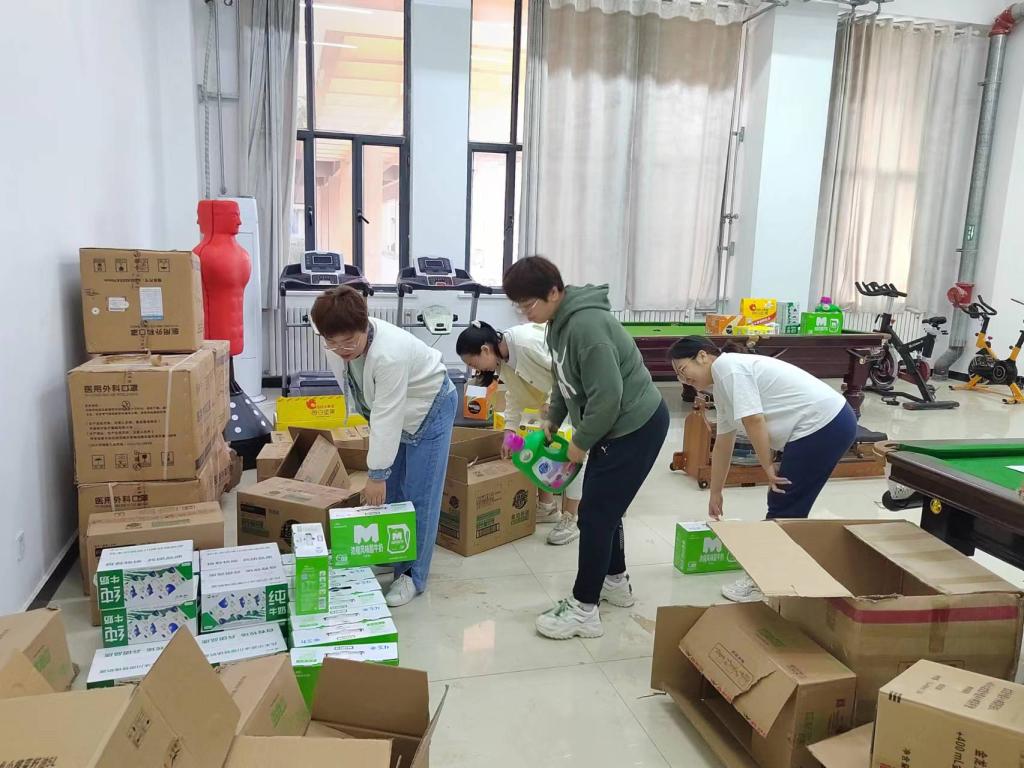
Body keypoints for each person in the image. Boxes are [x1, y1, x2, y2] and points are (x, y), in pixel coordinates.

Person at [502, 256, 669, 640]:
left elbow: (607, 399)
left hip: (635, 425)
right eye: (519, 306)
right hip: (614, 425)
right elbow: (565, 379)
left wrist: (580, 442)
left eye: (529, 304)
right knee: (605, 508)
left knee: (593, 515)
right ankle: (614, 582)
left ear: (554, 292)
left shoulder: (587, 327)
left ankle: (584, 609)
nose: (526, 314)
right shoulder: (557, 325)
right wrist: (553, 418)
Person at [668, 335, 857, 603]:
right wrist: (716, 491)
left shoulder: (728, 368)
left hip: (824, 425)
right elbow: (724, 441)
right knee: (789, 504)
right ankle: (783, 571)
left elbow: (754, 420)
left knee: (784, 501)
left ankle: (764, 579)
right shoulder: (721, 383)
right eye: (677, 375)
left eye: (683, 369)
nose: (683, 379)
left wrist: (767, 465)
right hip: (826, 424)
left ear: (702, 356)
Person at [311, 285, 458, 608]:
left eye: (349, 342)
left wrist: (376, 474)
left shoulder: (389, 354)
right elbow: (375, 407)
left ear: (365, 326)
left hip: (429, 407)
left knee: (419, 495)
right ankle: (391, 554)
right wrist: (382, 476)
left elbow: (387, 415)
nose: (341, 349)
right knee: (392, 495)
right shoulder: (334, 338)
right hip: (397, 411)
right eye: (332, 342)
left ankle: (412, 576)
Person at [456, 320, 584, 545]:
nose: (476, 369)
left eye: (472, 362)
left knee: (575, 452)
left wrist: (553, 405)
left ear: (485, 350)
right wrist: (509, 430)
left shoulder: (526, 344)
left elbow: (566, 372)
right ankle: (547, 506)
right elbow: (514, 395)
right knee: (535, 447)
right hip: (548, 406)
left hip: (574, 397)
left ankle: (571, 518)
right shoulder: (502, 358)